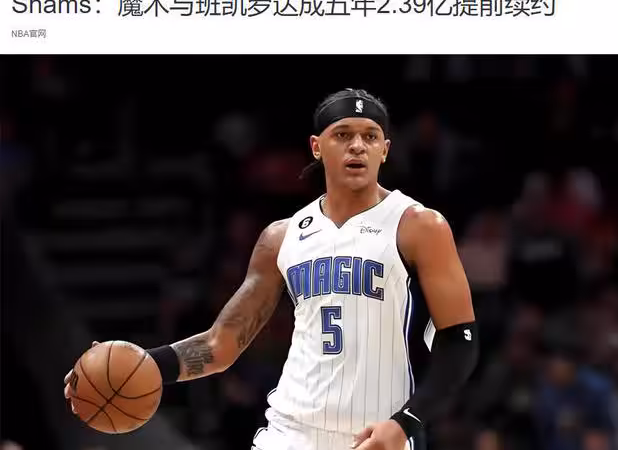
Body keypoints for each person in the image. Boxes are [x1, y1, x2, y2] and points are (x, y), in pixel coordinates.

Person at [64, 88, 479, 450]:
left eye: (370, 136)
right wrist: (142, 364)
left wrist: (407, 422)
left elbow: (460, 341)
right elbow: (222, 343)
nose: (357, 146)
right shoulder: (282, 237)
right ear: (317, 147)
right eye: (342, 135)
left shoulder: (419, 226)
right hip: (289, 432)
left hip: (377, 434)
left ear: (384, 150)